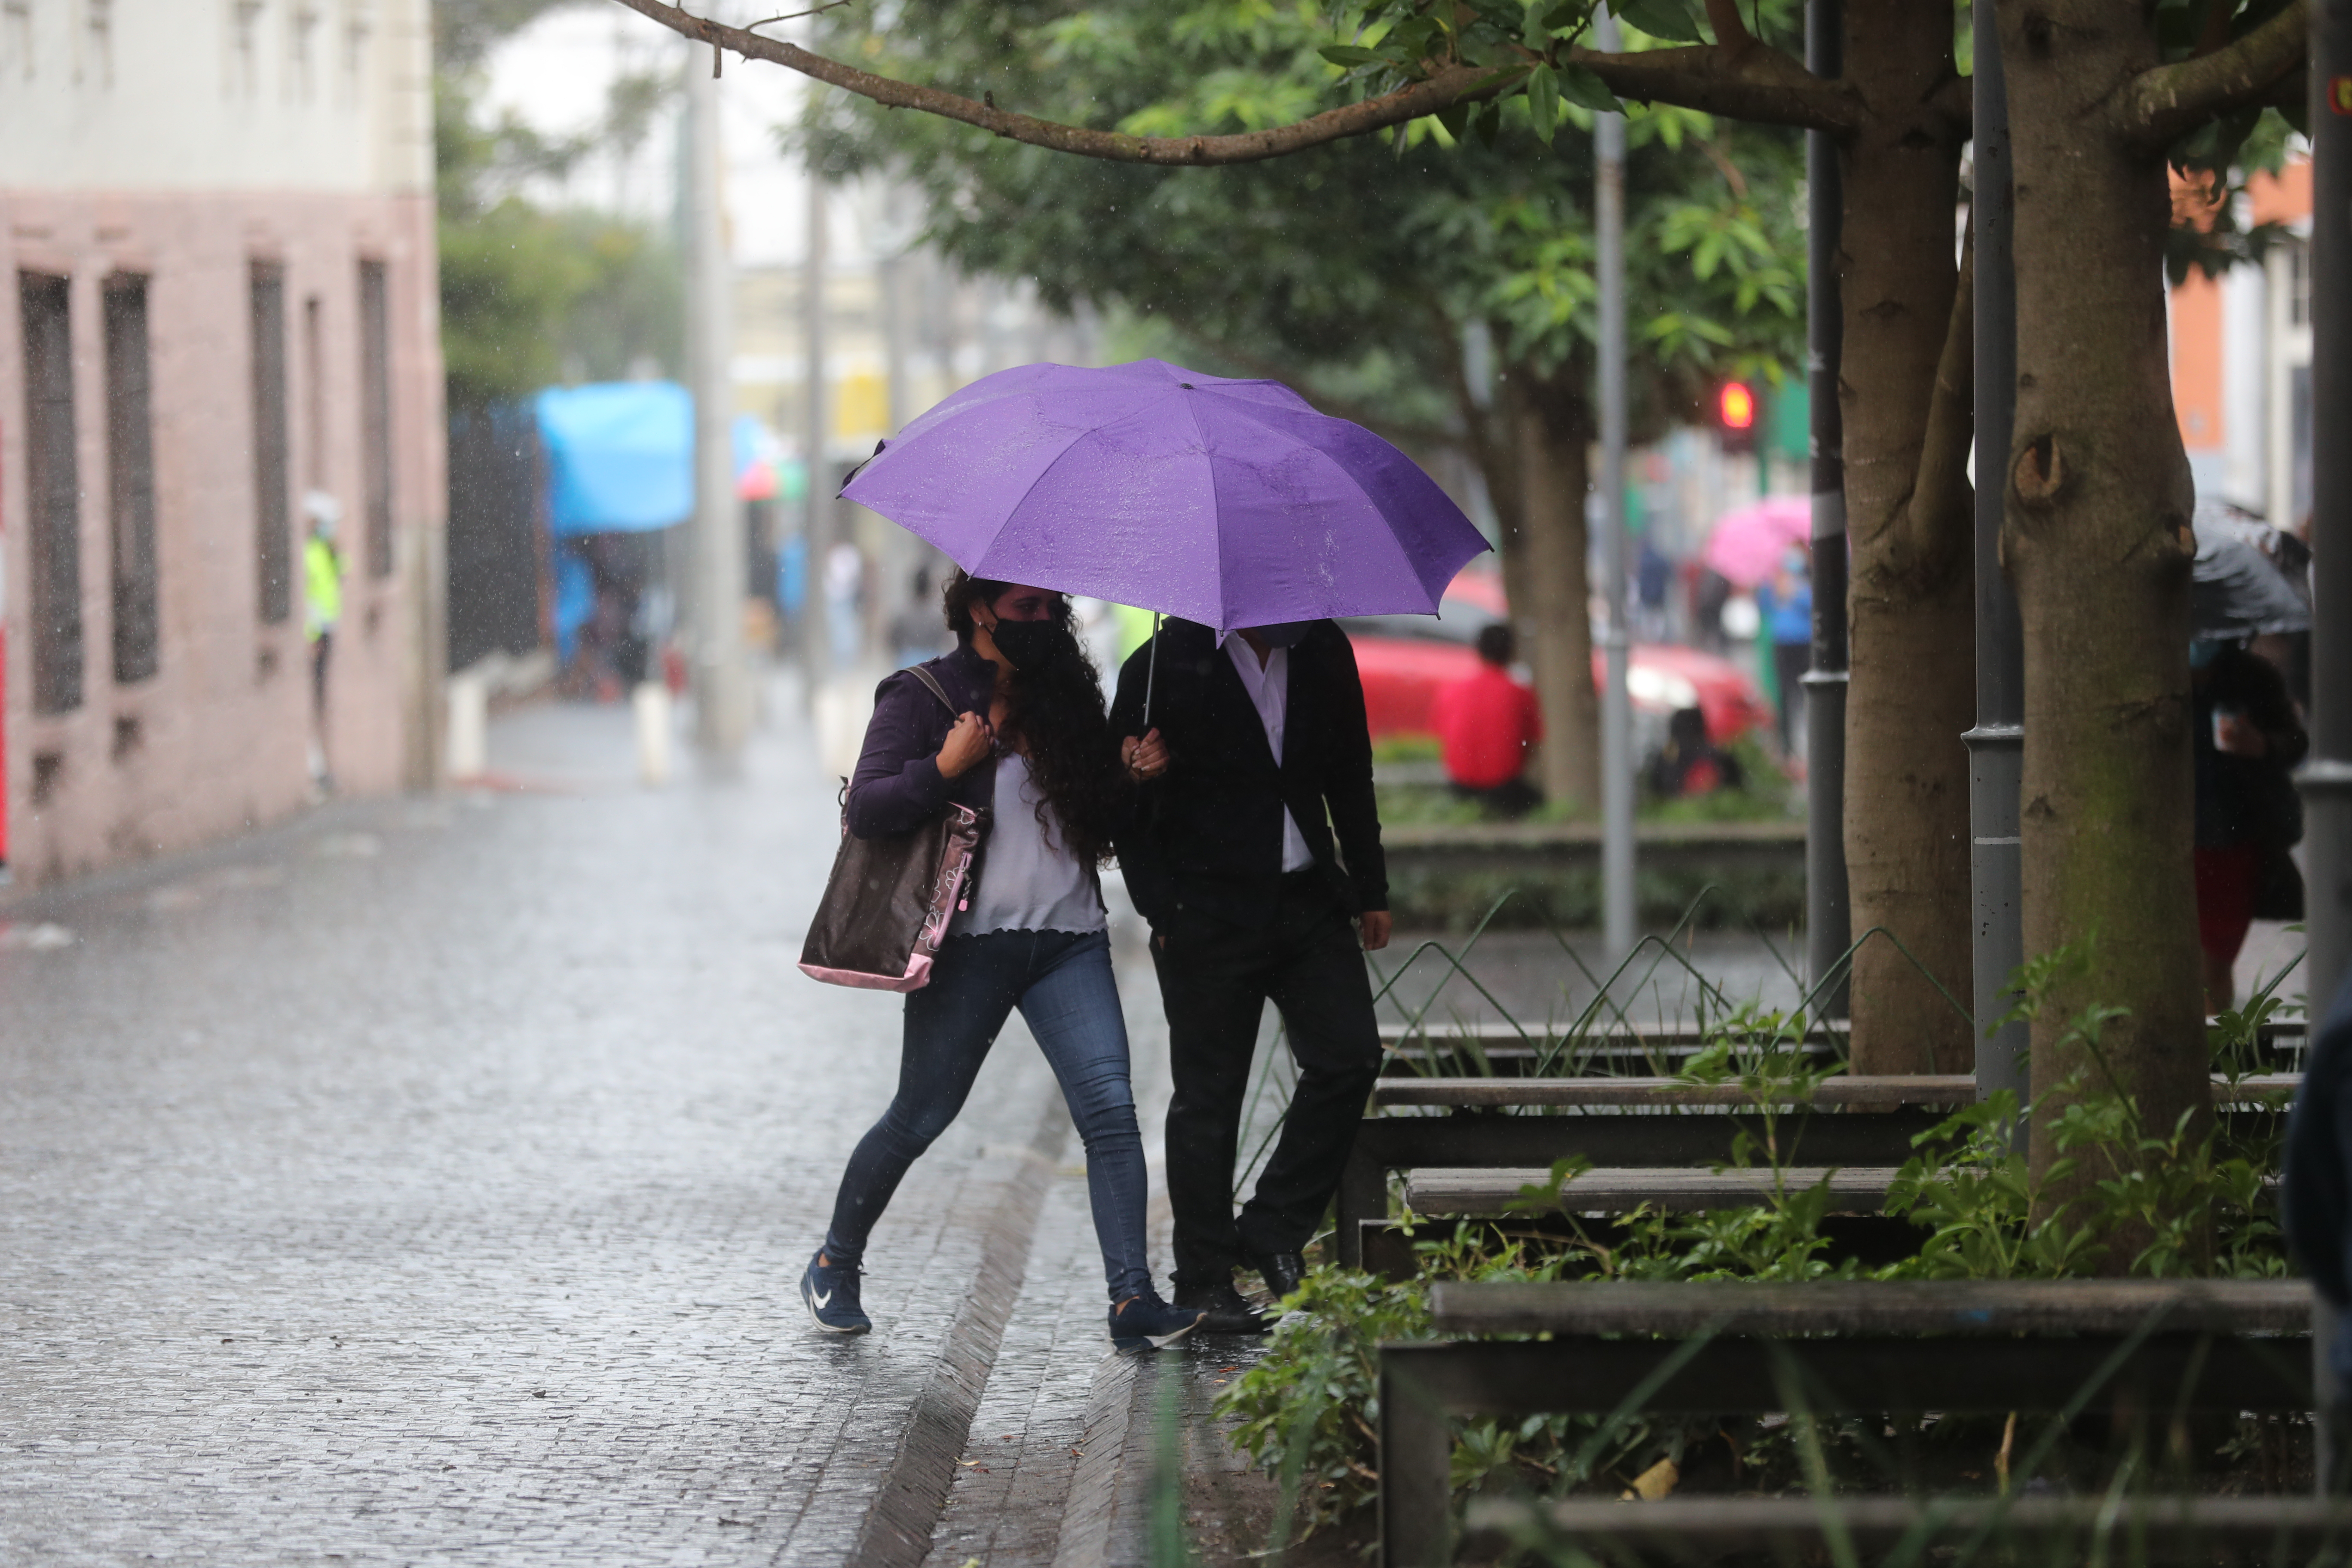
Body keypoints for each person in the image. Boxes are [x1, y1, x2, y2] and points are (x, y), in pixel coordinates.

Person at [801, 572, 1204, 1351]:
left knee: (1111, 1114)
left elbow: (1099, 824)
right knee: (920, 1115)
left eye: (1052, 606)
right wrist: (945, 766)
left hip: (1069, 941)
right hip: (968, 950)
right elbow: (869, 809)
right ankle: (834, 1261)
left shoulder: (1063, 700)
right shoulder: (920, 695)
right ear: (979, 611)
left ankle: (1131, 1298)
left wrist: (1132, 774)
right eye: (1027, 607)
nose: (1045, 618)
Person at [1110, 615, 1390, 1333]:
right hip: (1206, 912)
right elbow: (1120, 809)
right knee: (1208, 1096)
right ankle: (1203, 1277)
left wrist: (1370, 886)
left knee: (1349, 1054)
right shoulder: (1160, 664)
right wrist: (1158, 905)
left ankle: (1272, 1223)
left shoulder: (1323, 647)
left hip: (1307, 903)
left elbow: (1348, 770)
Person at [2191, 636, 2307, 1013]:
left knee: (2213, 965)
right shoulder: (2153, 673)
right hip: (2170, 838)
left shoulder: (2252, 676)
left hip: (2233, 839)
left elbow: (2294, 740)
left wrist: (2264, 745)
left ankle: (2213, 1055)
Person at [1433, 623, 1542, 818]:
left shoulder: (1452, 690)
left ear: (1478, 650)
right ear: (1511, 652)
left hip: (1460, 785)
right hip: (1505, 786)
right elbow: (1532, 742)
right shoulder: (1519, 692)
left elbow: (1442, 737)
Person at [302, 490, 345, 791]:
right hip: (316, 635)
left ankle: (322, 766)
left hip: (328, 630)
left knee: (322, 698)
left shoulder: (327, 551)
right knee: (313, 699)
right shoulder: (310, 554)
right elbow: (310, 600)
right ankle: (315, 767)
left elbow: (342, 574)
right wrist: (313, 637)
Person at [1754, 546, 1812, 751]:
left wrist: (1796, 593)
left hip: (1805, 643)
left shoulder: (1806, 581)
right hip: (1783, 643)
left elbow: (1814, 605)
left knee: (1807, 694)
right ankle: (1787, 746)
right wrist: (1773, 590)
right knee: (1786, 694)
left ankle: (1810, 740)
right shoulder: (1774, 583)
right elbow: (1764, 606)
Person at [1646, 706, 1745, 799]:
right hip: (1718, 813)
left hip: (1676, 814)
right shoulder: (1719, 756)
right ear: (1702, 724)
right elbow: (1738, 790)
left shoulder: (1666, 758)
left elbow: (1657, 792)